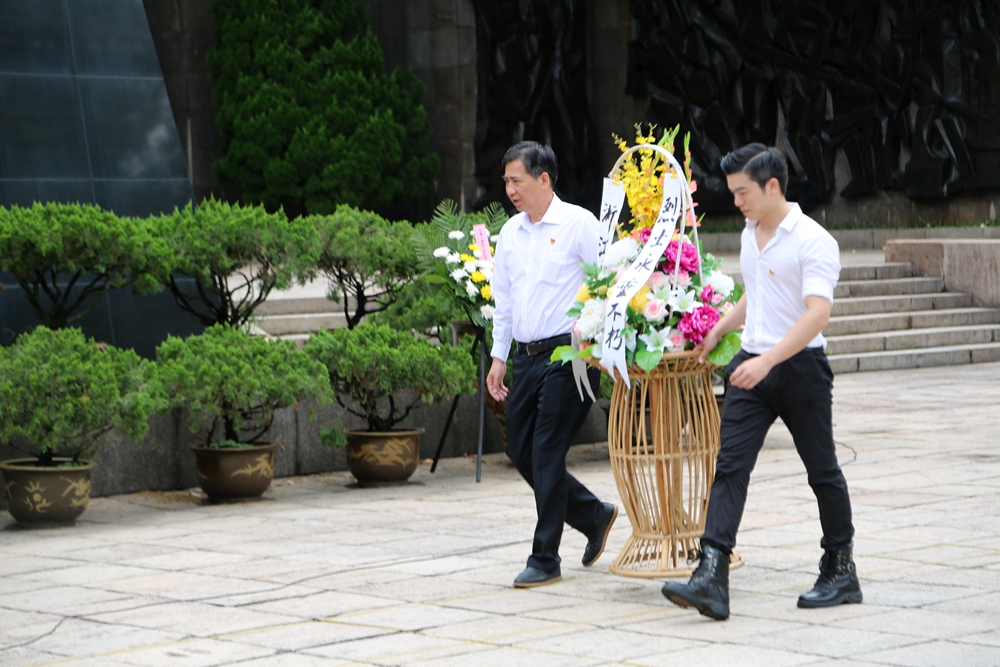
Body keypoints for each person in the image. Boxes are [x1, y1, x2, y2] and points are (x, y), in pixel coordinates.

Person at [661, 144, 862, 620]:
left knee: (822, 471)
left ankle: (840, 568)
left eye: (743, 192)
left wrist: (768, 360)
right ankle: (711, 574)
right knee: (730, 467)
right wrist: (719, 329)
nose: (737, 202)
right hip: (754, 364)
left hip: (800, 370)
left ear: (773, 186)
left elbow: (818, 315)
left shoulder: (814, 240)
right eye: (733, 193)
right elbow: (759, 291)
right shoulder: (752, 232)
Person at [487, 141, 618, 588]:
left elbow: (608, 284)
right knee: (520, 452)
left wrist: (597, 338)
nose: (509, 190)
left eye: (516, 180)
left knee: (545, 452)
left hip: (570, 358)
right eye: (505, 181)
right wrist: (498, 357)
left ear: (544, 179)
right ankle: (593, 514)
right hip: (525, 359)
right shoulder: (510, 234)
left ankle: (545, 558)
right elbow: (503, 301)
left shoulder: (580, 224)